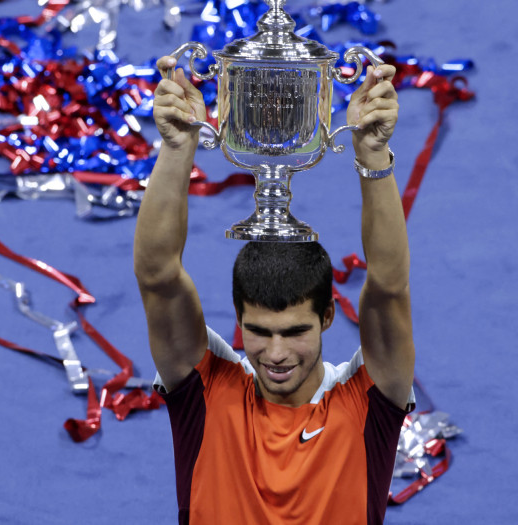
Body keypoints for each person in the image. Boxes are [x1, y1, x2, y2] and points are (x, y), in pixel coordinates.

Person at [134, 54, 415, 525]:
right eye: (259, 331)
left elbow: (389, 287)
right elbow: (158, 276)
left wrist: (372, 158)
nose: (276, 353)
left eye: (294, 331)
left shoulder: (366, 400)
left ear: (328, 316)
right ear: (238, 318)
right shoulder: (208, 388)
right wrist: (177, 149)